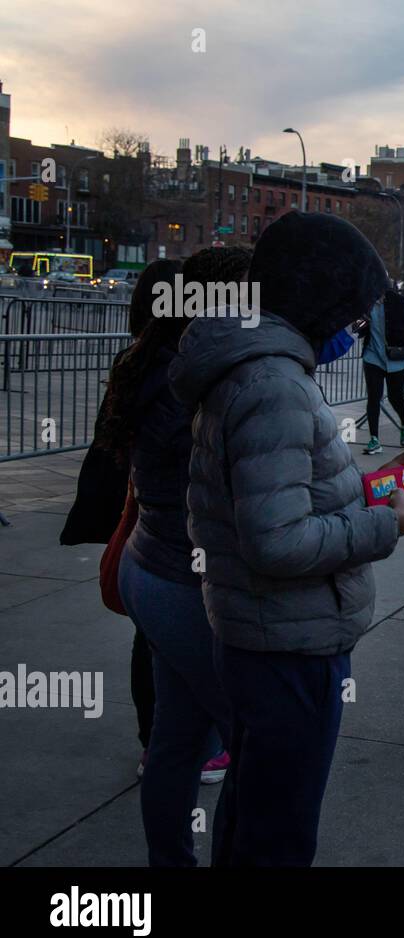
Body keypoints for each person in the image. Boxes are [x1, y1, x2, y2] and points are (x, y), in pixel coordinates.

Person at [170, 212, 404, 866]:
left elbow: (280, 493)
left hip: (267, 633)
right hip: (288, 643)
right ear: (320, 299)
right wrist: (387, 523)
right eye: (352, 311)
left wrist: (364, 486)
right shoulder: (275, 386)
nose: (356, 329)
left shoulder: (259, 370)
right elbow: (278, 542)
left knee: (255, 805)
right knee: (279, 829)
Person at [98, 248, 256, 865]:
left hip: (156, 567)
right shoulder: (188, 380)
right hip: (183, 579)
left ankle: (171, 861)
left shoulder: (161, 362)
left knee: (177, 737)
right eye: (248, 294)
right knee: (251, 745)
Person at [62, 259, 180, 781]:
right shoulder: (184, 369)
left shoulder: (132, 364)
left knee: (149, 639)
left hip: (138, 523)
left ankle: (152, 741)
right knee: (183, 642)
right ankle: (177, 741)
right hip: (176, 527)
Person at [355, 279, 404, 454]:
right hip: (373, 357)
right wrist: (360, 323)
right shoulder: (367, 304)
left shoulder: (399, 301)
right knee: (373, 398)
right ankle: (374, 439)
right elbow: (357, 328)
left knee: (395, 397)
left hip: (396, 358)